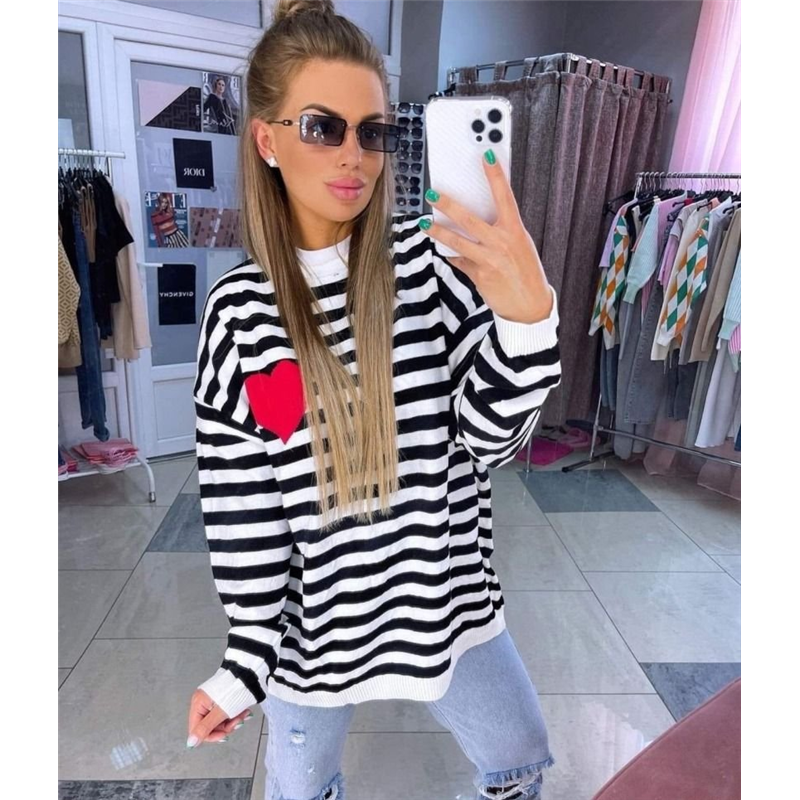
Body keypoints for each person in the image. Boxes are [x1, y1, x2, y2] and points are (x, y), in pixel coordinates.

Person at [187, 1, 562, 798]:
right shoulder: (239, 314)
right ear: (267, 139)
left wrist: (527, 322)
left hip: (448, 606)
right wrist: (246, 661)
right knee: (299, 787)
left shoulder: (433, 265)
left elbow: (489, 442)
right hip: (312, 638)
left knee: (521, 759)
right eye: (322, 127)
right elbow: (244, 510)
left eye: (374, 131)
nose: (354, 155)